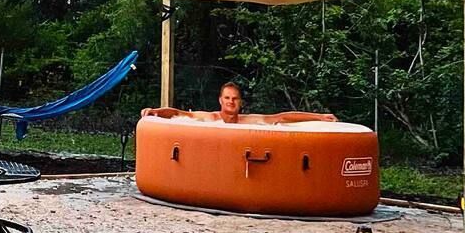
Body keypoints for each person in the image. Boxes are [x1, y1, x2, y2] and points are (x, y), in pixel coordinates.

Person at [140, 81, 336, 125]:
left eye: (234, 98)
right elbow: (178, 113)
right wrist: (155, 111)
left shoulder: (248, 121)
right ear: (220, 100)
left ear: (240, 102)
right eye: (227, 98)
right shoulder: (210, 118)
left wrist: (319, 117)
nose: (231, 102)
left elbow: (281, 118)